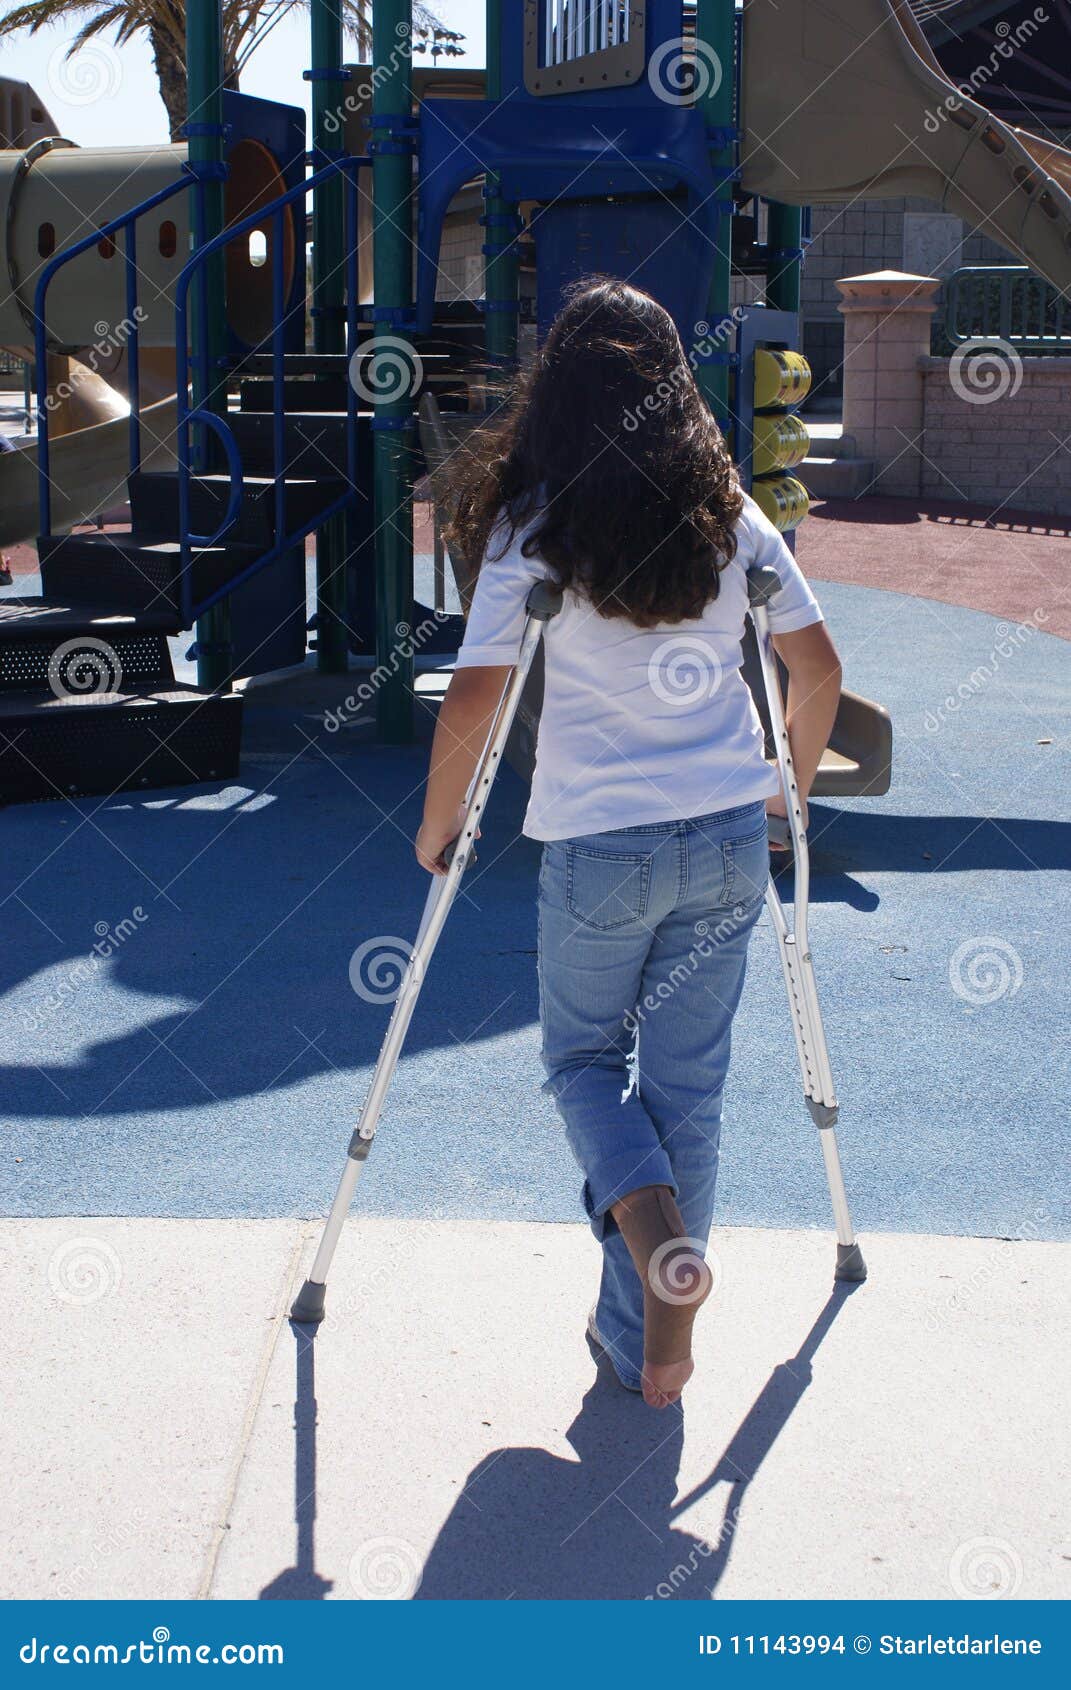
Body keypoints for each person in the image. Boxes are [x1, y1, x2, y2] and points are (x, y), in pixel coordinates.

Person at [415, 278, 841, 1410]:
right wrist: (787, 796)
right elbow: (816, 667)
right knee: (688, 1089)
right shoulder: (729, 516)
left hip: (600, 846)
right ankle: (645, 1343)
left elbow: (474, 698)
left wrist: (439, 822)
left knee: (582, 1064)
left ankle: (648, 1234)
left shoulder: (532, 525)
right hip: (727, 836)